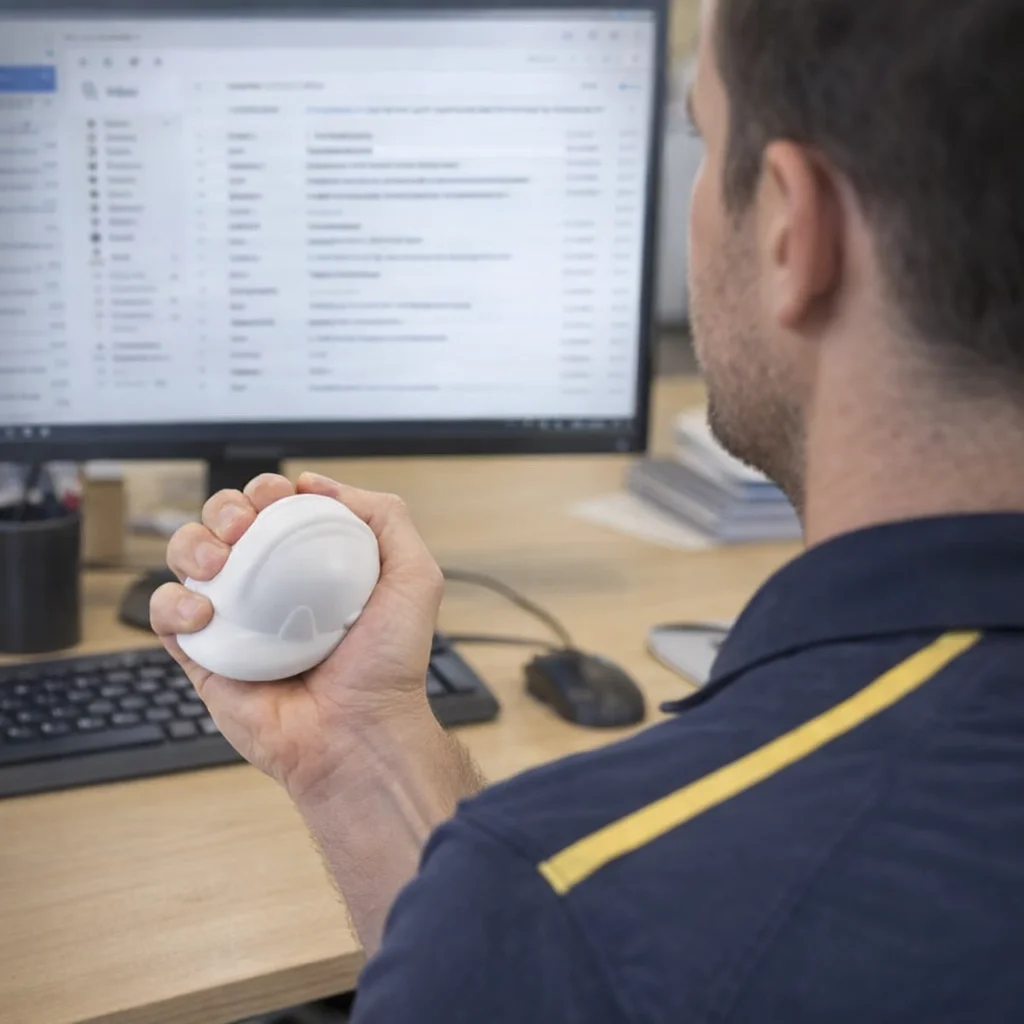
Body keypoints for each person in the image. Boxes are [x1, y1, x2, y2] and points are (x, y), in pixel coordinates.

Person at [152, 0, 1024, 1018]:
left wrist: (506, 903)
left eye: (704, 140)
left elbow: (559, 944)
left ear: (794, 229)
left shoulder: (576, 906)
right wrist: (361, 748)